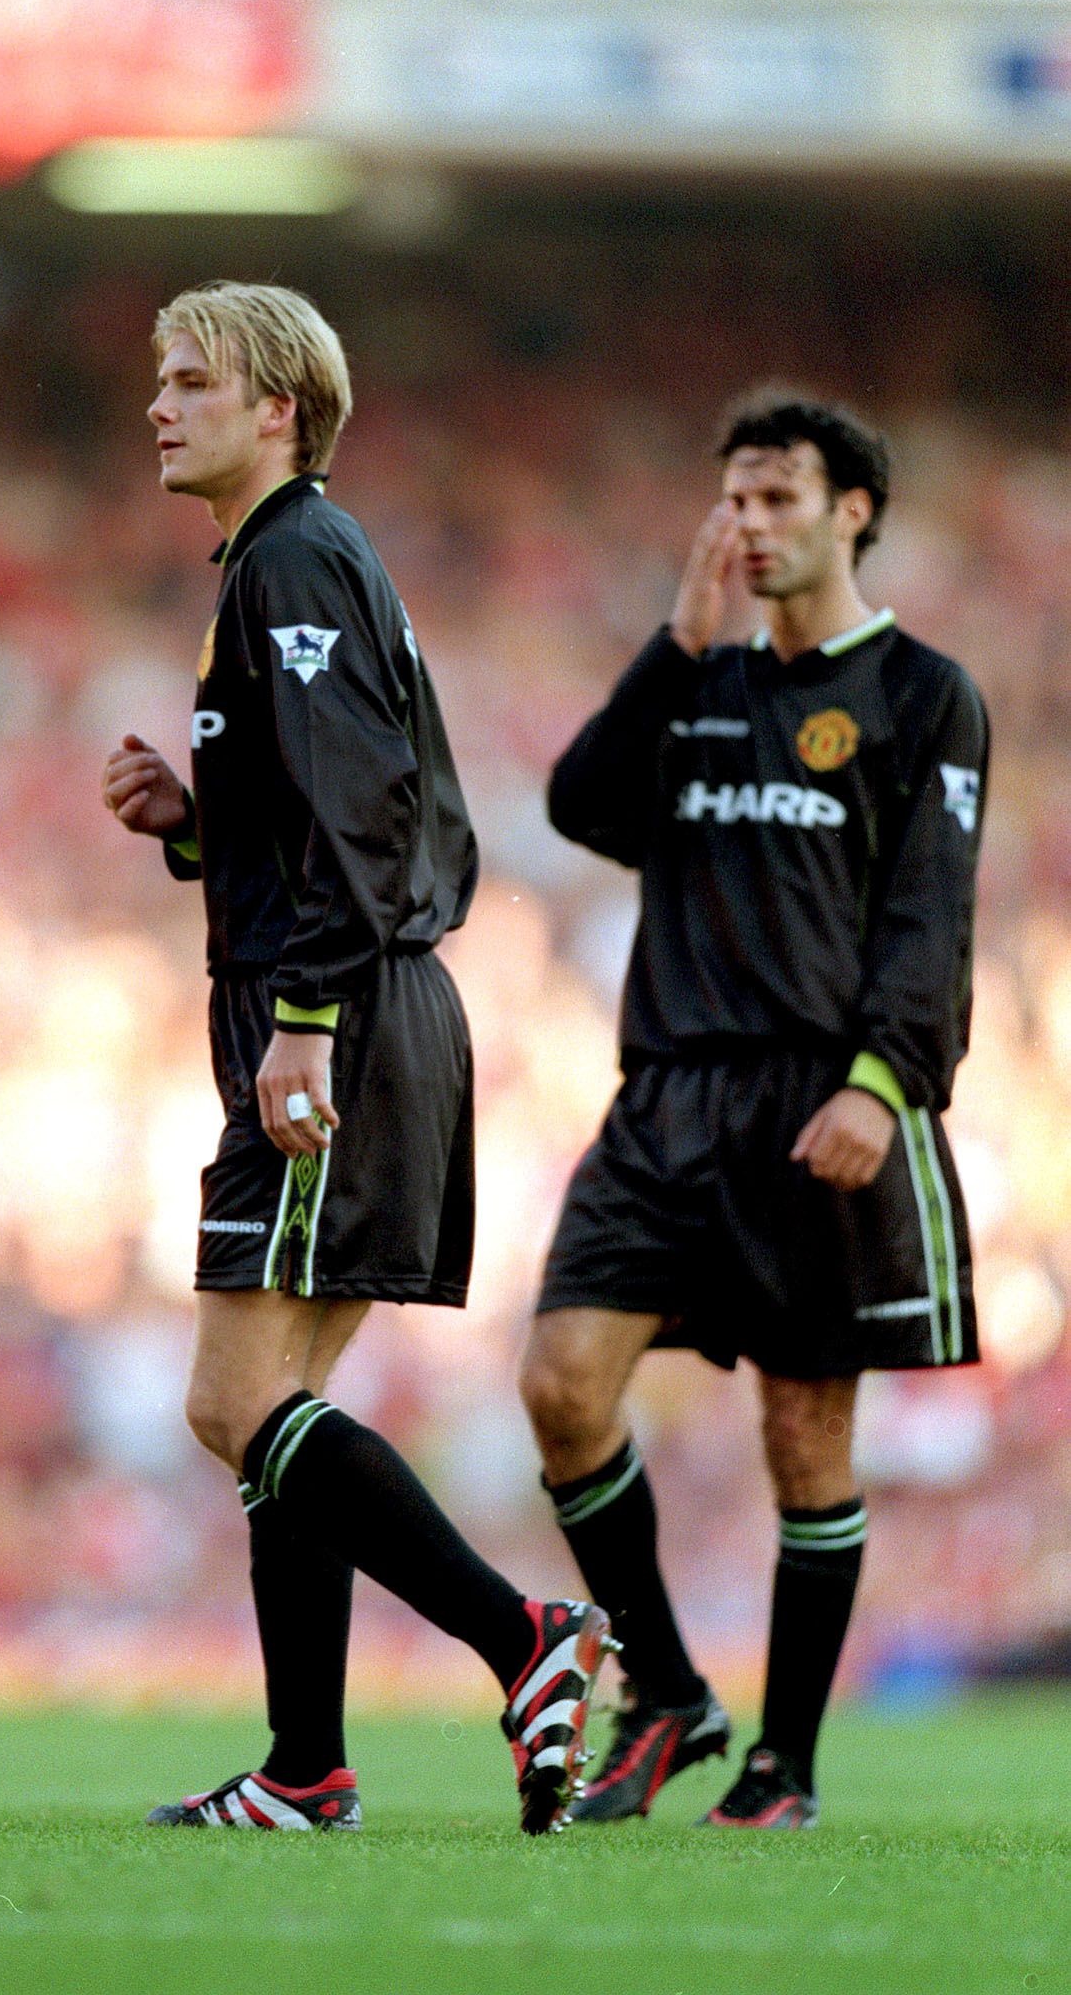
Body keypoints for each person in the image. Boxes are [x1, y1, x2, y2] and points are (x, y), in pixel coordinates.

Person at [103, 281, 613, 1835]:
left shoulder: (295, 560)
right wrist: (202, 819)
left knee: (230, 1401)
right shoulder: (284, 562)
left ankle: (523, 1640)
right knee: (280, 1415)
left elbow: (369, 812)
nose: (159, 405)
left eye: (192, 380)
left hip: (333, 1012)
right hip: (349, 999)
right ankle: (307, 1769)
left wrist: (307, 1019)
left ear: (279, 409)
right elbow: (332, 799)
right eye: (158, 381)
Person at [519, 391, 988, 1828]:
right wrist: (676, 641)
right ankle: (669, 1690)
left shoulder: (921, 693)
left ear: (854, 509)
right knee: (560, 1385)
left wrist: (881, 1082)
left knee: (805, 1443)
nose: (752, 522)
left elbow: (931, 918)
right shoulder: (700, 682)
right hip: (663, 1094)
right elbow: (582, 807)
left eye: (780, 496)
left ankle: (785, 1762)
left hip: (811, 1100)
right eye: (735, 496)